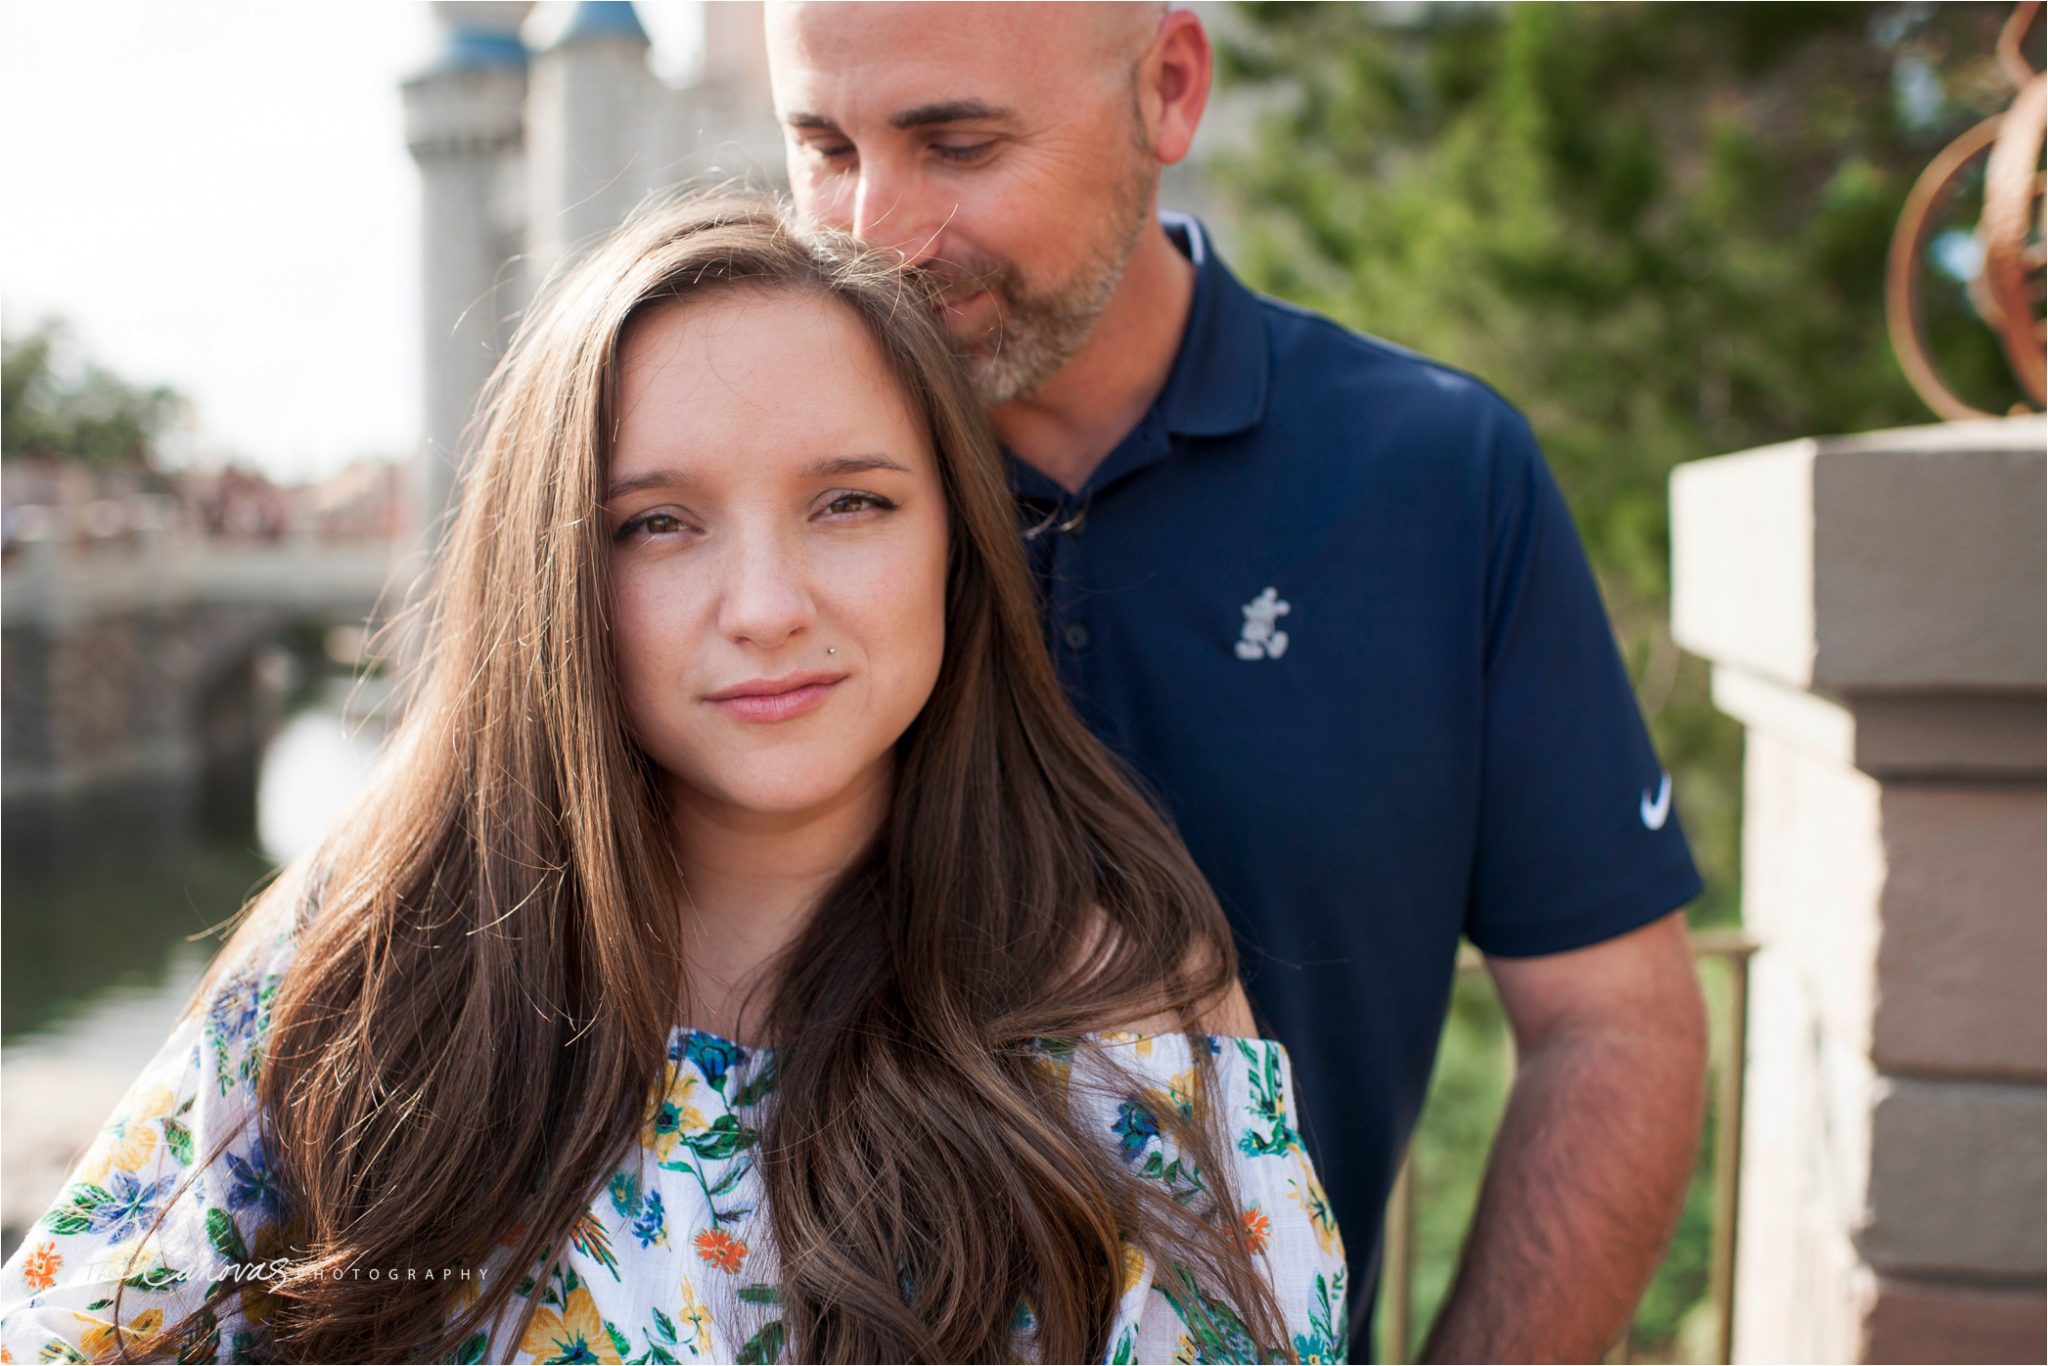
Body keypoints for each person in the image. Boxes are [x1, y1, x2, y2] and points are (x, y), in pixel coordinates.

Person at [0, 197, 1349, 1364]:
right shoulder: (368, 957)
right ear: (557, 575)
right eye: (657, 524)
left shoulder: (1116, 1018)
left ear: (958, 538)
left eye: (850, 502)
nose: (763, 606)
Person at [761, 3, 1712, 1359]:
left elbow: (1613, 1028)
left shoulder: (1436, 477)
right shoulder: (736, 519)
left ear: (1170, 89)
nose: (879, 232)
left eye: (957, 144)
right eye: (823, 146)